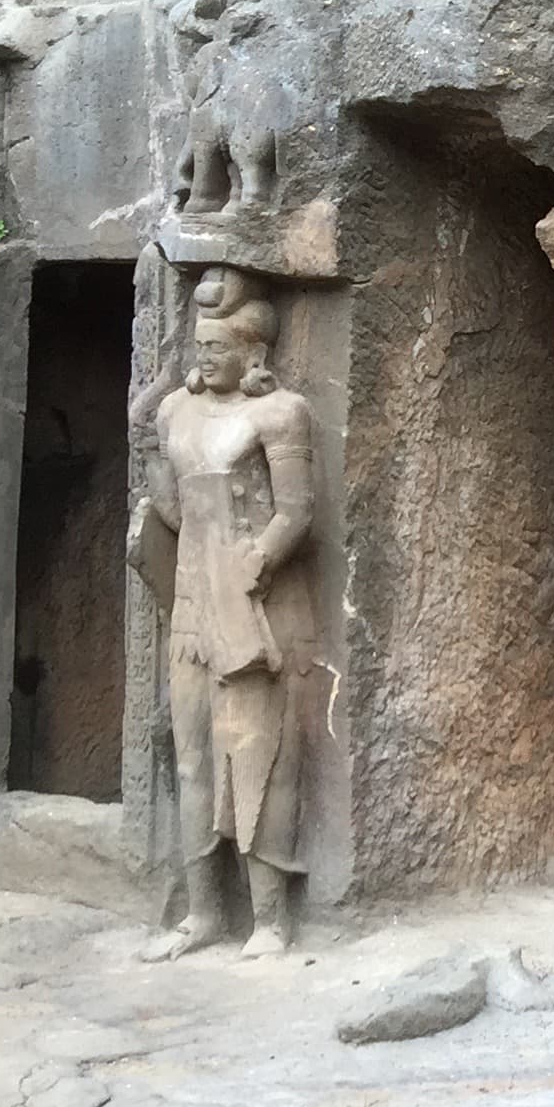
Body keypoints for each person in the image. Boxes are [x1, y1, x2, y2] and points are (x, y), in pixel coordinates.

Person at [132, 267, 318, 959]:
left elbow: (298, 510)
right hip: (190, 600)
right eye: (199, 345)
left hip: (250, 602)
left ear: (252, 353)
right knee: (191, 761)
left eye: (216, 346)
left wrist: (259, 560)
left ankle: (269, 918)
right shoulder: (179, 412)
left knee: (256, 756)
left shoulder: (279, 412)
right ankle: (203, 914)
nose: (202, 357)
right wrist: (147, 441)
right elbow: (175, 512)